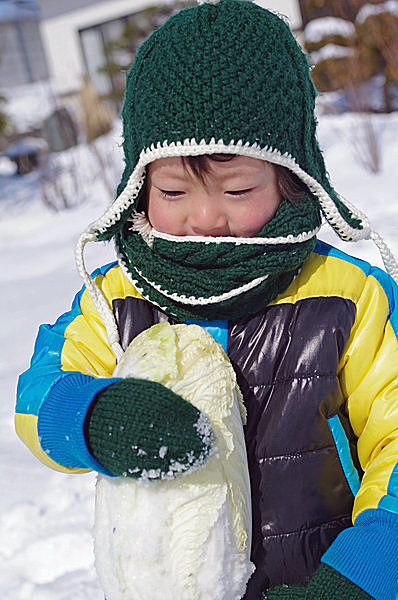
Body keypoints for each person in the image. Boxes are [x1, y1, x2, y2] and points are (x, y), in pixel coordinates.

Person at [15, 1, 398, 599]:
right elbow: (37, 399)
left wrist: (364, 572)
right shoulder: (117, 297)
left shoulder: (349, 297)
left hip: (323, 580)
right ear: (138, 188)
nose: (204, 217)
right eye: (172, 189)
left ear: (292, 178)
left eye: (238, 188)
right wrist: (91, 416)